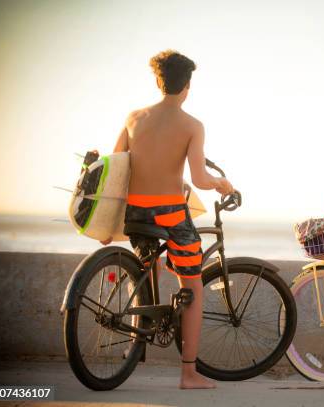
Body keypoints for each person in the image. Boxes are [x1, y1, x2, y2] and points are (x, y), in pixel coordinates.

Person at [101, 50, 234, 389]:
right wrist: (222, 184)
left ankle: (144, 307)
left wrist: (106, 225)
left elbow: (115, 168)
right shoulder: (192, 125)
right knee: (193, 285)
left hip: (136, 213)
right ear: (187, 86)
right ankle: (189, 373)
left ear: (158, 81)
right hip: (171, 214)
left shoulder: (134, 118)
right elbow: (201, 179)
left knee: (151, 263)